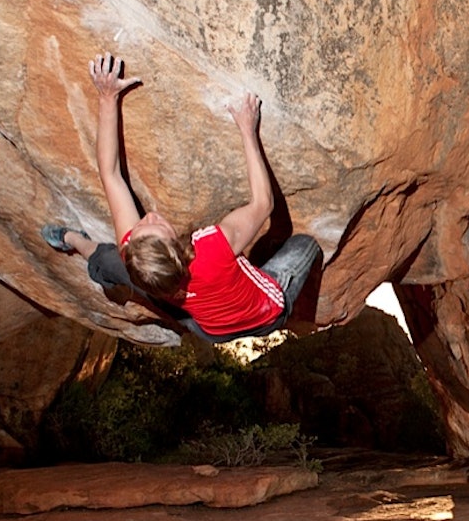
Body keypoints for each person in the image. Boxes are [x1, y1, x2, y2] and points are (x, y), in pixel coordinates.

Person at [41, 52, 320, 343]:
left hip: (212, 329)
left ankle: (71, 240)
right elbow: (264, 204)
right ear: (178, 250)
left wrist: (107, 98)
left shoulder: (134, 257)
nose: (148, 216)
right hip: (267, 314)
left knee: (110, 263)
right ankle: (297, 319)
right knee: (306, 244)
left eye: (140, 228)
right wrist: (247, 129)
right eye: (157, 225)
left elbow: (110, 173)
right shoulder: (210, 249)